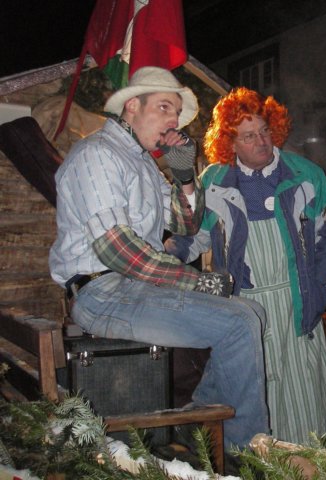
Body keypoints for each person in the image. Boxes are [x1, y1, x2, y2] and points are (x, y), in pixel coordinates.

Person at [48, 67, 270, 450]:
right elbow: (116, 249)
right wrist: (195, 281)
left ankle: (200, 422)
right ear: (132, 106)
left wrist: (184, 174)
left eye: (177, 113)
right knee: (238, 323)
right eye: (164, 107)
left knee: (254, 313)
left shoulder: (142, 163)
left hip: (135, 288)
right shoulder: (97, 155)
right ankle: (245, 453)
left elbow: (186, 224)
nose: (173, 120)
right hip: (102, 293)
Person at [166, 87, 326, 444]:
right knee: (252, 401)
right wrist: (163, 259)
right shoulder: (214, 182)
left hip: (297, 305)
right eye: (248, 136)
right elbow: (194, 237)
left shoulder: (306, 176)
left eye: (264, 131)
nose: (261, 141)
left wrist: (319, 288)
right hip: (244, 311)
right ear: (230, 143)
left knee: (304, 404)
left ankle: (308, 466)